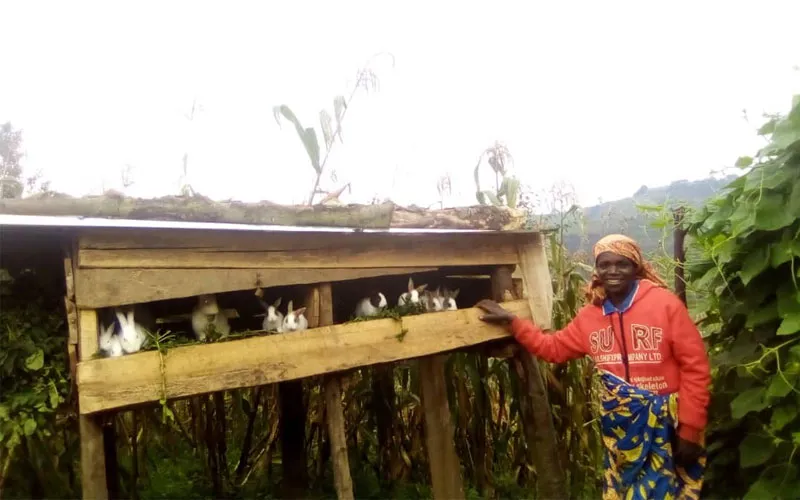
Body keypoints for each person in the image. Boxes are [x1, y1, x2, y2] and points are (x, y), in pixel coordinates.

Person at [477, 234, 711, 500]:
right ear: (597, 269)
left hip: (667, 425)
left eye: (621, 264)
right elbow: (552, 349)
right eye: (605, 264)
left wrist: (690, 428)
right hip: (621, 429)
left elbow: (696, 368)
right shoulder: (590, 317)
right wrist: (514, 323)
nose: (612, 271)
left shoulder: (665, 305)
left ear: (636, 267)